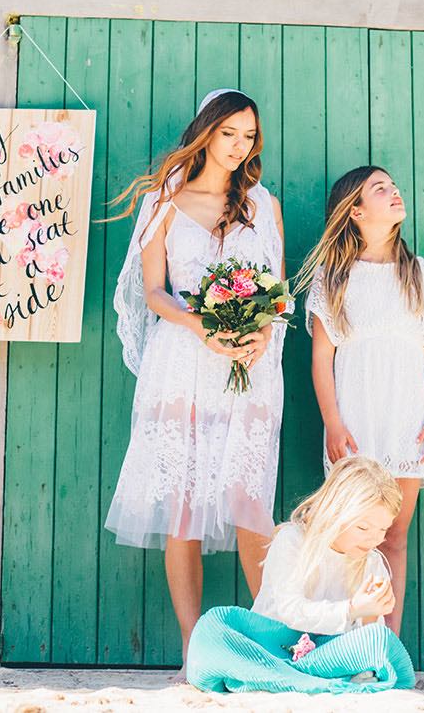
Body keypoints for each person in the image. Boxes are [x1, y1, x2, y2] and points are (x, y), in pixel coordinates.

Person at [104, 88, 287, 675]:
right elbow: (153, 291)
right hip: (183, 362)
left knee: (250, 504)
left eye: (248, 136)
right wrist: (203, 325)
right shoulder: (165, 201)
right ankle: (194, 650)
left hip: (249, 368)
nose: (238, 147)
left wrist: (261, 335)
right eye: (229, 132)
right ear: (206, 131)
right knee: (183, 508)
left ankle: (271, 644)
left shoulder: (264, 204)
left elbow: (278, 292)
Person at [298, 165, 424, 634]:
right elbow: (321, 358)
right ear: (355, 209)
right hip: (355, 423)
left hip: (407, 421)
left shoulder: (423, 275)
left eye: (393, 186)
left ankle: (385, 644)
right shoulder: (333, 278)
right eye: (380, 189)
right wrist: (332, 420)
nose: (394, 193)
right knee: (351, 537)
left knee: (392, 536)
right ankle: (347, 639)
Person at [186, 456, 416, 693]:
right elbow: (290, 611)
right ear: (336, 512)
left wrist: (371, 614)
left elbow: (365, 638)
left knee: (380, 639)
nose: (374, 539)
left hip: (326, 655)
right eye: (363, 528)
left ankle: (297, 680)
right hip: (273, 648)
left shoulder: (371, 560)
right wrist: (352, 608)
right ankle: (299, 678)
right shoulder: (292, 541)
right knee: (213, 626)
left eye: (383, 529)